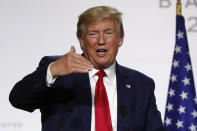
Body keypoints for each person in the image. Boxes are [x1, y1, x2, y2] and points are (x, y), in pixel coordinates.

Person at [9, 6, 165, 131]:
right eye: (93, 33)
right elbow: (18, 99)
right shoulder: (58, 72)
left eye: (108, 33)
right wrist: (53, 70)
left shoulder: (141, 85)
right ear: (82, 41)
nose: (101, 40)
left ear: (120, 39)